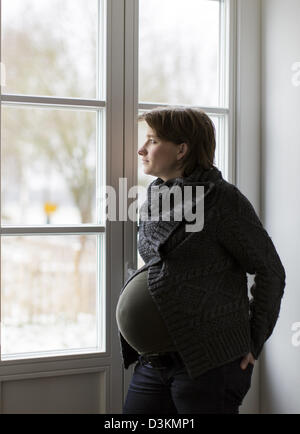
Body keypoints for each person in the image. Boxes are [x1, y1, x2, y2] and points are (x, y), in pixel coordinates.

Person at [115, 106, 286, 414]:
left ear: (182, 149)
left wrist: (255, 340)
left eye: (152, 140)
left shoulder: (222, 200)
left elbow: (270, 270)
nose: (142, 149)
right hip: (153, 362)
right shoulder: (156, 196)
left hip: (208, 363)